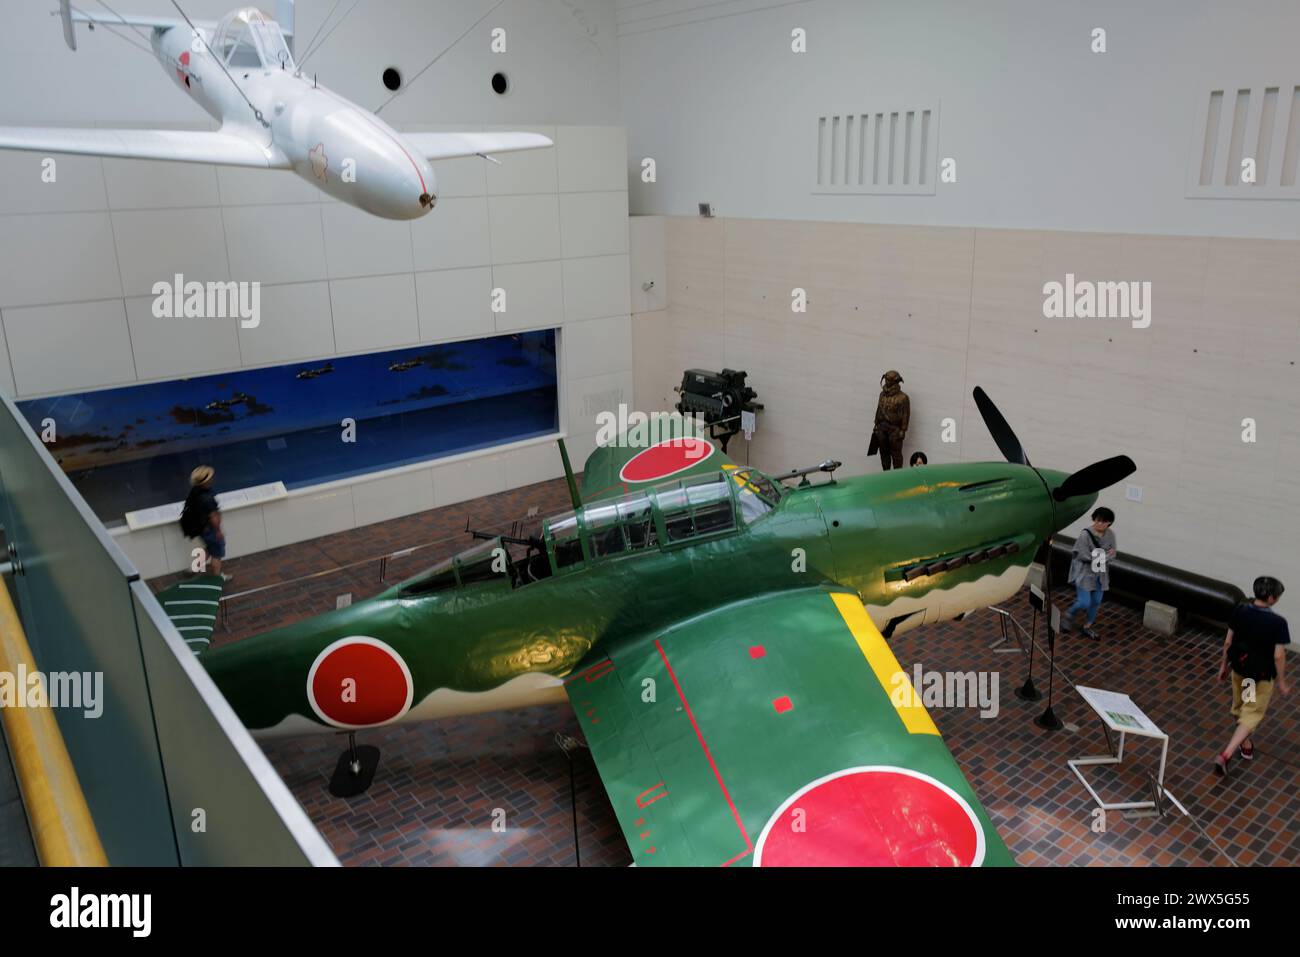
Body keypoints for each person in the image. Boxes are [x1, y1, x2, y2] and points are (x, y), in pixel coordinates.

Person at [1214, 576, 1290, 776]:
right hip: (1260, 677)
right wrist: (1282, 681)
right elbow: (1279, 654)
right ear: (1272, 598)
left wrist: (1223, 665)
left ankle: (1245, 742)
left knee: (1241, 707)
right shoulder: (1278, 623)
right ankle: (1226, 754)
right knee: (1252, 713)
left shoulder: (1239, 611)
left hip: (1241, 671)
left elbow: (1228, 642)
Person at [1061, 507, 1116, 639]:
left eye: (1104, 522)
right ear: (1093, 519)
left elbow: (1113, 553)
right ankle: (1069, 614)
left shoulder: (1110, 534)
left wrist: (1103, 556)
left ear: (1109, 523)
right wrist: (1105, 556)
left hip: (1101, 574)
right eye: (1098, 521)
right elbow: (1085, 556)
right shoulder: (1085, 535)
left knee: (1096, 601)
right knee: (1084, 602)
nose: (1101, 524)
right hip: (1084, 573)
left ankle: (1087, 626)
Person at [181, 466, 229, 581]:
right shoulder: (207, 498)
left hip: (201, 528)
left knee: (210, 547)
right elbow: (213, 516)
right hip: (209, 529)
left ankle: (194, 568)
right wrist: (218, 531)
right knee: (216, 553)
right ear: (206, 481)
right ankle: (217, 579)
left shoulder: (195, 491)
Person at [870, 370, 910, 470]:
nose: (886, 381)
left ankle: (897, 476)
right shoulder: (882, 394)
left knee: (896, 455)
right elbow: (879, 409)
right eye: (886, 379)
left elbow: (906, 414)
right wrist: (876, 424)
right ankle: (886, 474)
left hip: (894, 429)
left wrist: (903, 430)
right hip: (882, 427)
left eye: (888, 380)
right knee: (884, 453)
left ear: (895, 381)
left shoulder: (903, 398)